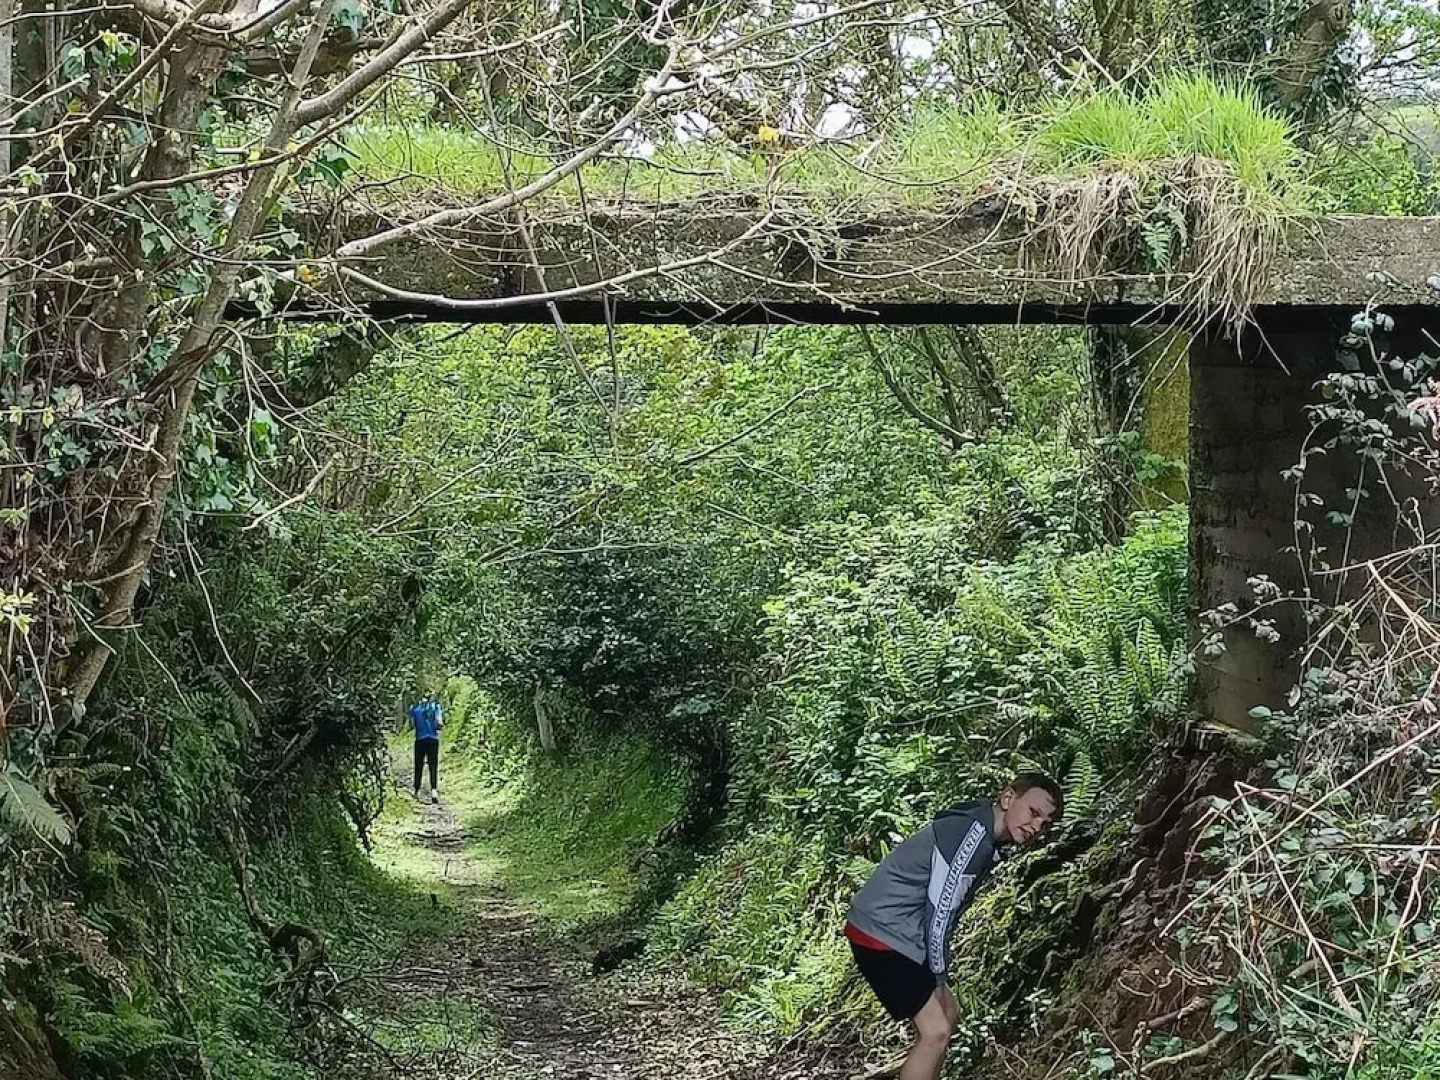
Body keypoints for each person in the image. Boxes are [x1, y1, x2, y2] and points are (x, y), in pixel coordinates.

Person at [844, 773, 1062, 1080]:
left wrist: (938, 978)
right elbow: (941, 914)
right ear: (1008, 798)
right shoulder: (971, 837)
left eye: (1046, 824)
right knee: (936, 1031)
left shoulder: (980, 829)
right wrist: (938, 975)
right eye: (1034, 813)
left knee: (949, 1015)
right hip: (881, 933)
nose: (1037, 827)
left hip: (897, 931)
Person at [409, 697, 444, 801]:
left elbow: (412, 725)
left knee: (418, 765)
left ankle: (417, 790)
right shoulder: (436, 707)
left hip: (420, 739)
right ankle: (433, 790)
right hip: (433, 739)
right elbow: (439, 723)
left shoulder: (414, 708)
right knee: (433, 765)